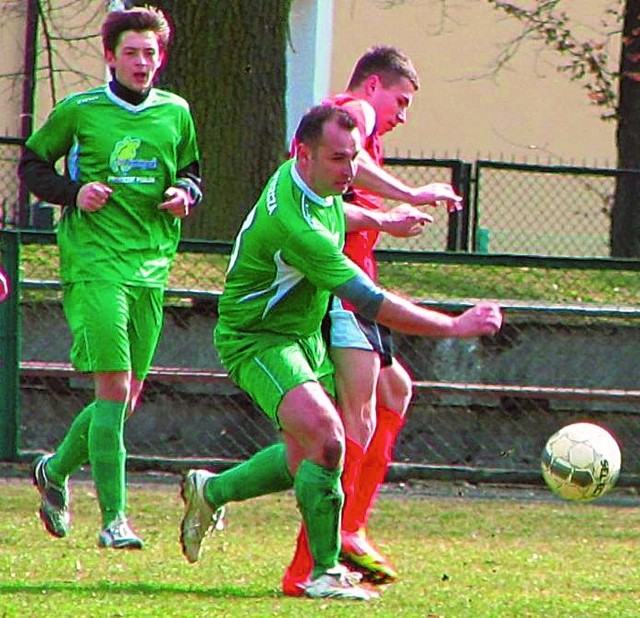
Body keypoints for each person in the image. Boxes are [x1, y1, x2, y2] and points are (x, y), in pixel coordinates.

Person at [178, 104, 502, 601]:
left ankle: (210, 492)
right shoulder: (295, 226)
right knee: (330, 440)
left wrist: (382, 221)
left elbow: (337, 209)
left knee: (302, 456)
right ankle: (322, 573)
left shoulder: (309, 183)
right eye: (338, 159)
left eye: (353, 157)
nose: (349, 170)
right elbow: (370, 301)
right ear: (303, 154)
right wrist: (454, 327)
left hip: (303, 334)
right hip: (258, 339)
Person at [17, 6, 203, 549]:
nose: (142, 62)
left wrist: (183, 195)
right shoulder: (80, 112)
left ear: (160, 57)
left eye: (150, 53)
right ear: (110, 57)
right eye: (132, 53)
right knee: (114, 387)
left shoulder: (176, 112)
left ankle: (53, 471)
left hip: (151, 265)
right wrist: (75, 193)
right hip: (95, 263)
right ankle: (115, 520)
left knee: (124, 397)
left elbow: (192, 172)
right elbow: (31, 165)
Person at [283, 45, 462, 593]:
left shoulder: (357, 138)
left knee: (393, 392)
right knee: (353, 420)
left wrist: (387, 216)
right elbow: (340, 197)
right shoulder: (351, 116)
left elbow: (341, 205)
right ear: (372, 88)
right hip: (343, 288)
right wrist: (405, 200)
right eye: (400, 100)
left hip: (355, 282)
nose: (402, 114)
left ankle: (349, 526)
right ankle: (311, 563)